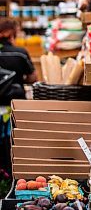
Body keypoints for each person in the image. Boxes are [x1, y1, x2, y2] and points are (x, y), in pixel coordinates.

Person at [0, 18, 37, 174]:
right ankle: (11, 171)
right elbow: (33, 77)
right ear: (12, 35)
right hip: (14, 105)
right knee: (13, 141)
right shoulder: (20, 54)